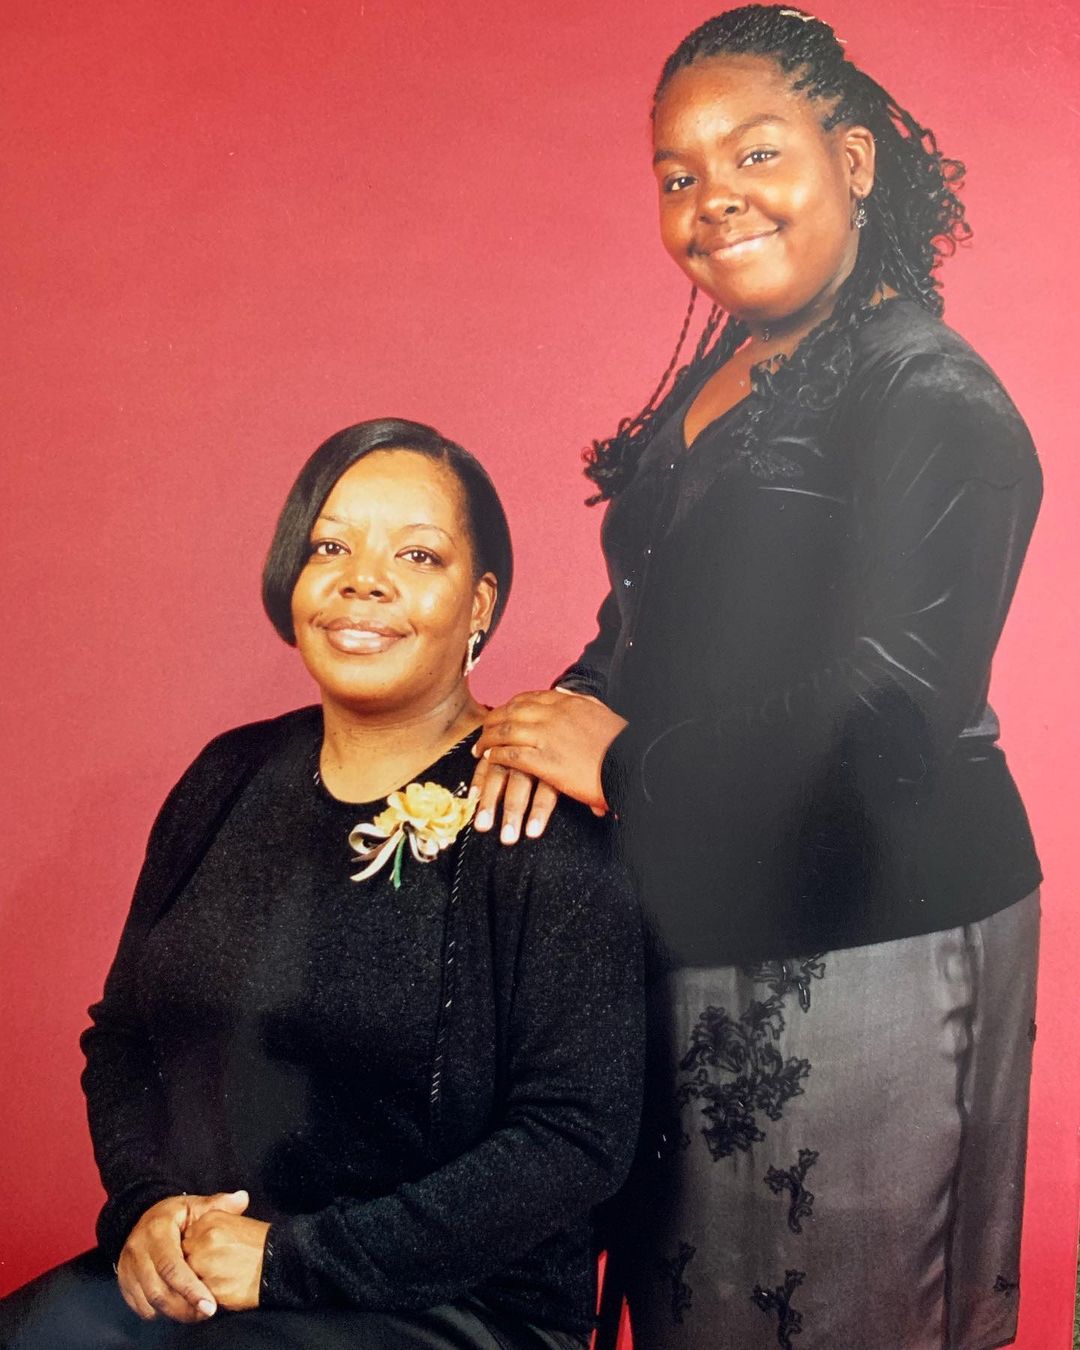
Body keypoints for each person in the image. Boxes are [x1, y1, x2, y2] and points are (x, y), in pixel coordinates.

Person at [472, 8, 1041, 1349]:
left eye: (755, 153)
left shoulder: (932, 391)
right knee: (705, 1306)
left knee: (840, 1309)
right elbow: (658, 615)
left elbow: (898, 705)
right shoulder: (730, 368)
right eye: (678, 174)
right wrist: (557, 711)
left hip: (873, 927)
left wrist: (617, 762)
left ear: (854, 160)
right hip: (698, 900)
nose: (712, 197)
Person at [0, 418, 643, 1350]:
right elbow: (123, 1037)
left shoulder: (533, 809)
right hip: (209, 1282)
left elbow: (574, 1139)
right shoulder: (227, 776)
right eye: (330, 547)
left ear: (479, 602)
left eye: (417, 555)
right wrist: (146, 1211)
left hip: (450, 1309)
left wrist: (286, 1260)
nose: (362, 580)